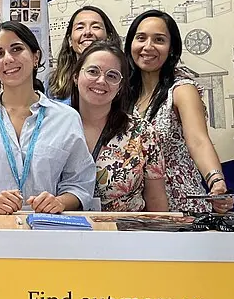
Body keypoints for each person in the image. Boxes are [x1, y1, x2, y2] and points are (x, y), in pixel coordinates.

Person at [0, 21, 95, 214]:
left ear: (35, 57)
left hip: (49, 232)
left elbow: (81, 182)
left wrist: (60, 202)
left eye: (16, 49)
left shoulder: (65, 118)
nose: (8, 59)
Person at [126, 9, 233, 214]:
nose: (148, 47)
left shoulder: (182, 90)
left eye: (159, 40)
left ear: (172, 49)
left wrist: (216, 181)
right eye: (141, 38)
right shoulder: (122, 94)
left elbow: (199, 141)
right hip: (135, 209)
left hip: (179, 206)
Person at [69, 41, 168, 212]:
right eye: (93, 72)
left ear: (121, 86)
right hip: (63, 232)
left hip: (126, 234)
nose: (101, 80)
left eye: (112, 75)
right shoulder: (53, 127)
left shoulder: (142, 133)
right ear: (76, 76)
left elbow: (156, 200)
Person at [48, 5, 121, 101]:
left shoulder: (123, 78)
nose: (87, 32)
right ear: (70, 40)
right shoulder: (53, 83)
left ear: (109, 37)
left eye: (95, 27)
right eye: (80, 27)